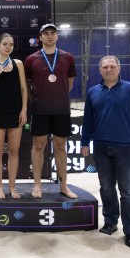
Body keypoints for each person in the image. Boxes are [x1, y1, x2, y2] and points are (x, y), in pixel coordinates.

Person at [81, 55, 130, 249]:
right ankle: (110, 222)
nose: (109, 70)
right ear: (100, 70)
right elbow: (88, 120)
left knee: (128, 191)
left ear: (119, 69)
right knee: (106, 188)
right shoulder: (93, 92)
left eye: (112, 66)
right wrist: (85, 141)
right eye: (105, 67)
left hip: (126, 148)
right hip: (101, 147)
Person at [24, 23, 77, 199]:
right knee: (38, 146)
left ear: (57, 36)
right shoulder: (31, 59)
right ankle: (37, 185)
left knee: (60, 146)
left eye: (52, 33)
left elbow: (69, 83)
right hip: (40, 109)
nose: (49, 36)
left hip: (61, 109)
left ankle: (63, 185)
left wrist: (58, 94)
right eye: (45, 33)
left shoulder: (68, 57)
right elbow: (27, 85)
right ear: (40, 37)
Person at [0, 33, 28, 199]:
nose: (8, 47)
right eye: (5, 44)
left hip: (15, 113)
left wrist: (24, 110)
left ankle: (12, 187)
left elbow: (23, 88)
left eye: (11, 44)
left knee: (14, 151)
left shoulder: (18, 64)